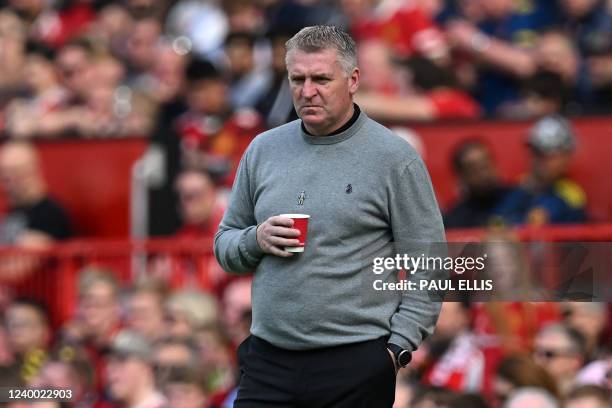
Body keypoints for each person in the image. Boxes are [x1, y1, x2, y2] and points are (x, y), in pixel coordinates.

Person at [214, 25, 445, 406]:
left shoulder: (394, 158)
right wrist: (255, 239)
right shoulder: (262, 149)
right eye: (297, 79)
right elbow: (225, 243)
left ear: (353, 80)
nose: (307, 92)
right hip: (269, 360)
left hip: (356, 361)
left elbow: (430, 263)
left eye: (321, 79)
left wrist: (397, 349)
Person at [495, 115, 587, 225]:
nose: (539, 160)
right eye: (536, 152)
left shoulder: (572, 195)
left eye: (548, 154)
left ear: (566, 157)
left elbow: (537, 223)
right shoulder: (520, 184)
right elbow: (497, 221)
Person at [444, 140, 510, 228]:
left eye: (486, 166)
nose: (485, 174)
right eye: (474, 170)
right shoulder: (454, 220)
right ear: (461, 177)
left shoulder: (521, 199)